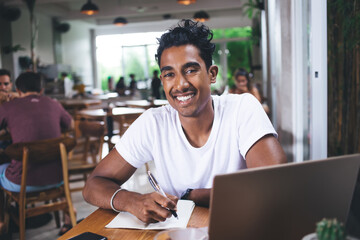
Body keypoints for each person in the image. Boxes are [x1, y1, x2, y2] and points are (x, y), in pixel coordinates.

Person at [83, 19, 286, 224]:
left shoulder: (242, 108)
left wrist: (192, 196)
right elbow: (93, 185)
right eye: (170, 74)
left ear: (211, 74)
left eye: (190, 70)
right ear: (162, 81)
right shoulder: (154, 123)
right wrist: (132, 200)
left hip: (240, 228)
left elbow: (273, 186)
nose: (180, 84)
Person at [0, 72, 75, 235]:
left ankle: (4, 224)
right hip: (57, 180)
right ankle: (69, 219)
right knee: (51, 165)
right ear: (41, 90)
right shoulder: (53, 104)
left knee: (2, 167)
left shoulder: (8, 107)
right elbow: (71, 124)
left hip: (21, 183)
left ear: (18, 91)